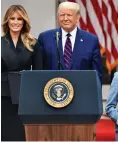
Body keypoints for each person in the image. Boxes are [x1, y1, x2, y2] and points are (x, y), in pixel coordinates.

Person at [1, 5, 43, 141]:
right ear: (7, 21)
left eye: (19, 19)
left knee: (22, 134)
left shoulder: (33, 43)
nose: (15, 22)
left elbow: (38, 73)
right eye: (12, 18)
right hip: (2, 95)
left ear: (24, 21)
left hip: (25, 96)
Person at [38, 1, 103, 82]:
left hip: (81, 91)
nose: (65, 18)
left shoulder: (91, 40)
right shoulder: (45, 38)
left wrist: (95, 94)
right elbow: (38, 71)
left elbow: (97, 74)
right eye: (62, 15)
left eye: (69, 15)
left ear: (77, 18)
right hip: (53, 91)